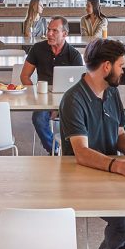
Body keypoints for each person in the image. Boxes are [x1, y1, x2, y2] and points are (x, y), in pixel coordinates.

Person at [59, 39, 125, 249]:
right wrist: (121, 166)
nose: (122, 71)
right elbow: (81, 153)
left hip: (113, 176)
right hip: (82, 180)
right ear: (106, 66)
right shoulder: (74, 99)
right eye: (120, 65)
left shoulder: (112, 93)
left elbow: (119, 132)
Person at [20, 17, 83, 153]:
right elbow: (24, 76)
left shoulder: (74, 55)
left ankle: (74, 150)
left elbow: (80, 86)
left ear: (65, 34)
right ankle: (54, 149)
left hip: (68, 100)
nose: (49, 34)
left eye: (55, 31)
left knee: (83, 117)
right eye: (49, 30)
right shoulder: (37, 49)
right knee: (38, 118)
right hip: (43, 98)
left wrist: (57, 106)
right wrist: (35, 96)